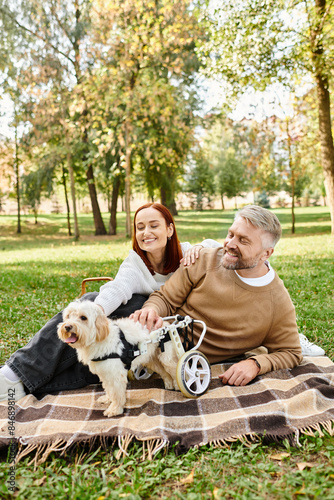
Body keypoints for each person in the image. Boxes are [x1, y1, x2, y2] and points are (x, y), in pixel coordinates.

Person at [0, 203, 221, 402]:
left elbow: (217, 245)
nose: (146, 232)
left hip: (172, 328)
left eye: (154, 225)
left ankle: (19, 378)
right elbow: (118, 287)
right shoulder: (135, 263)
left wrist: (200, 248)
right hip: (141, 326)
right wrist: (96, 310)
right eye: (140, 227)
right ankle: (17, 376)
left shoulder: (187, 253)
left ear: (170, 230)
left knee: (112, 336)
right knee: (96, 316)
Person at [131, 205, 307, 386]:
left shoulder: (277, 302)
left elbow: (291, 352)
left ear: (266, 253)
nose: (230, 244)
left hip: (189, 364)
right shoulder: (203, 259)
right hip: (157, 338)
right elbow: (165, 298)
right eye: (231, 235)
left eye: (243, 240)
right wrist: (151, 310)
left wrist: (256, 364)